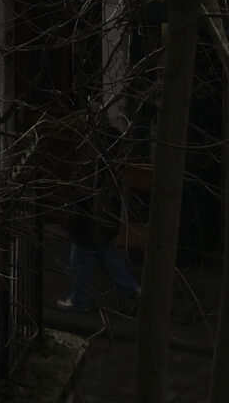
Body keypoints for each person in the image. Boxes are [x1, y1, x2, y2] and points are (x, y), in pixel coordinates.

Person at [62, 119, 140, 317]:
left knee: (80, 256)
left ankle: (80, 300)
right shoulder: (111, 163)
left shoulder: (93, 160)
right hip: (103, 220)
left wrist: (73, 216)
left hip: (90, 219)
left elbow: (84, 192)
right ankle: (132, 290)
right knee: (106, 256)